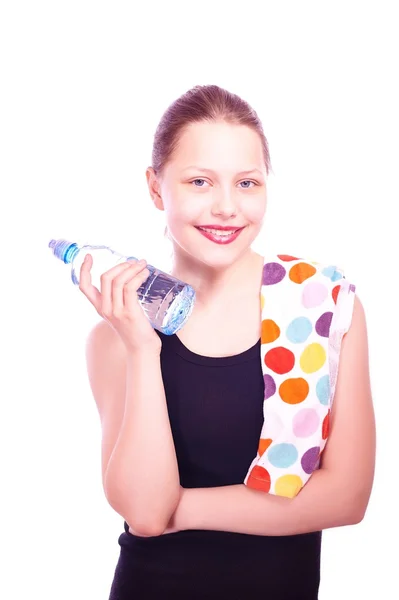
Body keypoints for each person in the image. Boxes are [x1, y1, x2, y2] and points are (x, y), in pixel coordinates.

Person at [80, 85, 376, 599]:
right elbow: (146, 514)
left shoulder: (324, 306)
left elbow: (347, 497)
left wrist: (183, 507)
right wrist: (143, 350)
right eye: (199, 181)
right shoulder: (116, 336)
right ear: (156, 188)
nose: (226, 207)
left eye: (246, 183)